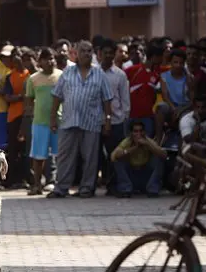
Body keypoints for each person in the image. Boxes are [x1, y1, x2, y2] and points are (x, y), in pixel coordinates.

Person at [47, 40, 113, 199]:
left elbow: (107, 100)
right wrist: (53, 119)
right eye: (83, 51)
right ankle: (61, 188)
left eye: (89, 51)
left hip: (91, 122)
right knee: (65, 157)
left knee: (90, 157)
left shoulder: (99, 74)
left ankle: (87, 188)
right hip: (69, 121)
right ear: (76, 53)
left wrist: (108, 121)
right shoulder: (67, 73)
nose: (86, 54)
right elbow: (57, 96)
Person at [25, 47, 62, 195]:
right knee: (38, 156)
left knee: (60, 155)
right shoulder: (33, 79)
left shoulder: (62, 76)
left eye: (52, 58)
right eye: (47, 58)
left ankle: (60, 185)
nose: (50, 61)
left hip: (60, 121)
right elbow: (28, 100)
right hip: (40, 123)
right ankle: (37, 185)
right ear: (40, 62)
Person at [99, 38, 131, 195]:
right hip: (95, 121)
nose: (108, 56)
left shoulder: (120, 75)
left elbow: (125, 100)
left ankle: (114, 186)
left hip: (117, 120)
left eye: (111, 53)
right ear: (99, 54)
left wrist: (124, 118)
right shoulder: (93, 73)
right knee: (97, 157)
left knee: (115, 155)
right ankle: (95, 184)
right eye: (105, 53)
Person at [111, 121, 166, 198]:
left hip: (145, 175)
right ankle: (125, 189)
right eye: (135, 131)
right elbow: (113, 156)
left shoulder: (147, 140)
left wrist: (147, 145)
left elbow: (164, 155)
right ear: (131, 133)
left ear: (144, 132)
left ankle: (152, 190)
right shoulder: (127, 141)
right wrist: (133, 148)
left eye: (141, 131)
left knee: (159, 159)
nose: (138, 134)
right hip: (132, 175)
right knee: (118, 160)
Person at [3, 47, 29, 189]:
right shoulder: (9, 76)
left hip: (28, 116)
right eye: (15, 57)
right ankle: (10, 180)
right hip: (14, 117)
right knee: (12, 149)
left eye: (20, 56)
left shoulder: (30, 74)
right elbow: (7, 97)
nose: (18, 59)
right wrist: (20, 97)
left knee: (26, 149)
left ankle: (26, 178)